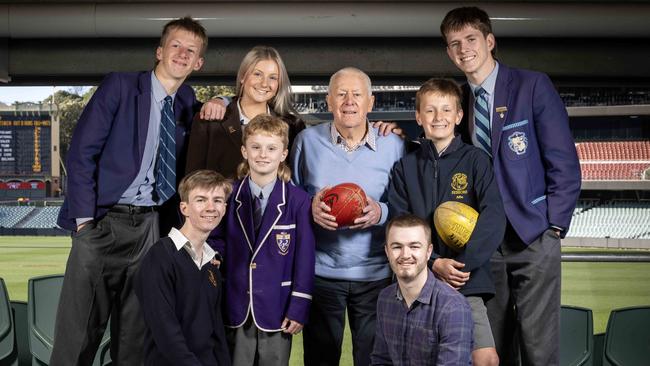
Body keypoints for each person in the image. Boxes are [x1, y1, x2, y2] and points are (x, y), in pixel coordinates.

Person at [52, 17, 213, 365]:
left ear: (199, 62)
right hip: (103, 223)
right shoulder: (121, 87)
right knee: (77, 339)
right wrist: (84, 226)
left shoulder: (186, 100)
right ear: (159, 51)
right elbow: (81, 154)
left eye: (191, 51)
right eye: (176, 46)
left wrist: (224, 100)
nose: (182, 55)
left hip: (152, 230)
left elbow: (209, 126)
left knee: (137, 341)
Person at [440, 7, 582, 366]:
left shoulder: (532, 85)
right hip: (484, 240)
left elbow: (563, 161)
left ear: (489, 41)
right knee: (491, 348)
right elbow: (441, 151)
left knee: (539, 348)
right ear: (448, 52)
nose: (463, 49)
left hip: (533, 236)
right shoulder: (458, 101)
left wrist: (553, 226)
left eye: (471, 39)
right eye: (454, 43)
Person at [291, 67, 405, 366]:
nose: (349, 101)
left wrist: (381, 212)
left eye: (357, 94)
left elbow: (407, 205)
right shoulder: (306, 141)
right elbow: (291, 198)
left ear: (371, 102)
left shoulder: (395, 145)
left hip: (375, 275)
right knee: (320, 359)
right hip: (321, 273)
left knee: (374, 359)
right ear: (329, 102)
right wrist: (310, 207)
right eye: (341, 94)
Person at [387, 78, 505, 366]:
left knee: (485, 359)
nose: (438, 118)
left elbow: (493, 216)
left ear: (459, 116)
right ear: (418, 116)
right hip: (418, 281)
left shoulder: (476, 160)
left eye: (446, 110)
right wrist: (434, 262)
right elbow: (398, 223)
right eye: (430, 111)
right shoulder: (406, 167)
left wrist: (460, 266)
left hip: (466, 280)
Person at [209, 114, 315, 365]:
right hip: (235, 301)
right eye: (255, 147)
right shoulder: (228, 194)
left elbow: (305, 258)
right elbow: (216, 238)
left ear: (283, 153)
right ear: (244, 151)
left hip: (277, 307)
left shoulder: (299, 200)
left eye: (271, 148)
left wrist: (299, 306)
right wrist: (216, 255)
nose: (263, 154)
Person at [135, 169, 232, 366]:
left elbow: (217, 336)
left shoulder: (211, 265)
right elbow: (166, 334)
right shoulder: (160, 258)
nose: (210, 207)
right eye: (201, 200)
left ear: (224, 208)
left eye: (218, 200)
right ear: (184, 208)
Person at [186, 45, 306, 178]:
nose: (264, 84)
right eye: (257, 74)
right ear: (243, 76)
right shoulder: (209, 120)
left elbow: (297, 182)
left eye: (273, 77)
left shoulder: (293, 126)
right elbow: (192, 180)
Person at [372, 214, 473, 366]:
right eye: (397, 247)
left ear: (428, 252)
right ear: (387, 251)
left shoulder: (453, 307)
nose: (405, 255)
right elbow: (381, 360)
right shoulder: (385, 298)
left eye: (414, 246)